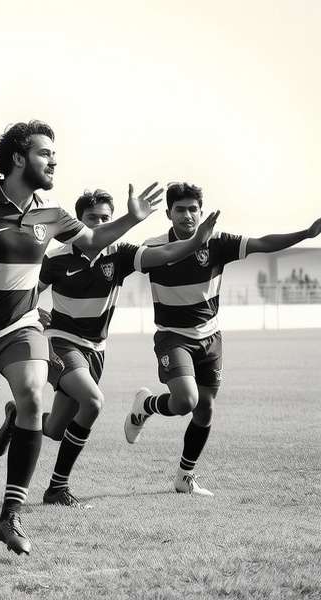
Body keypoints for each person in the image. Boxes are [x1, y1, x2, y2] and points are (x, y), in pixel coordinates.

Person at [0, 120, 163, 555]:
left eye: (54, 154)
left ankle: (10, 516)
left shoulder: (53, 212)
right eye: (45, 154)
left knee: (32, 398)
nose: (53, 160)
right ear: (19, 158)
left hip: (23, 327)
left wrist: (132, 219)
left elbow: (93, 240)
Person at [0, 189, 219, 508]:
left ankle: (17, 418)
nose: (99, 224)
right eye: (92, 218)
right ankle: (57, 488)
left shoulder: (120, 255)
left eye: (105, 218)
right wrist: (38, 320)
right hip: (62, 344)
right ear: (78, 222)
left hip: (95, 351)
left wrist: (196, 241)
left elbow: (166, 254)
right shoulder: (56, 258)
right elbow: (24, 297)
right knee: (93, 402)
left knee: (56, 429)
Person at [124, 182, 321, 496]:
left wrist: (305, 234)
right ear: (168, 213)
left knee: (205, 410)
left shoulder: (218, 242)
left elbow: (262, 243)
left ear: (201, 212)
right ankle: (145, 405)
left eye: (193, 209)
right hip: (173, 337)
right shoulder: (155, 246)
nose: (188, 215)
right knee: (186, 401)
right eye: (180, 209)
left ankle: (184, 478)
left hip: (211, 338)